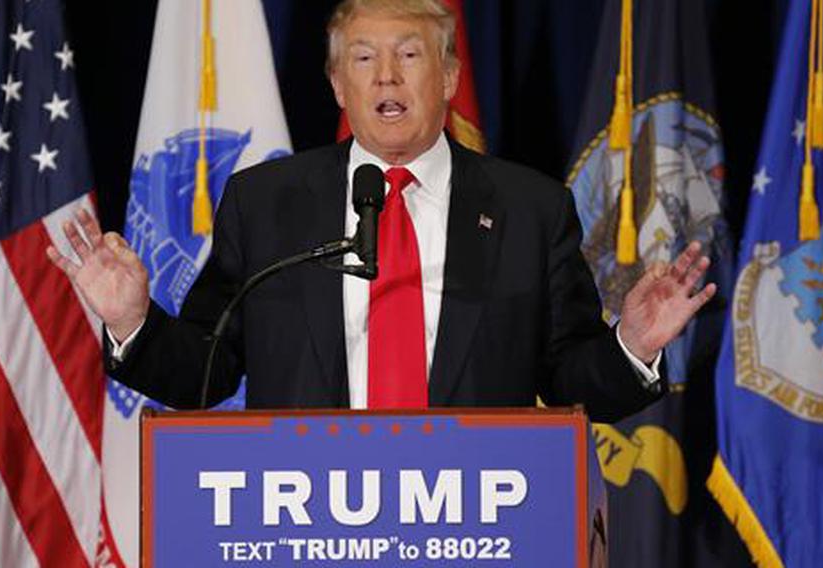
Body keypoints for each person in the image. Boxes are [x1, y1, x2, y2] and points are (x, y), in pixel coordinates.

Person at [47, 0, 715, 423]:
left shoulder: (529, 207)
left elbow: (570, 381)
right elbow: (206, 372)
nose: (387, 76)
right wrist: (133, 321)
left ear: (449, 78)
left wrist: (631, 346)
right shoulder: (268, 202)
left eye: (410, 55)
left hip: (474, 529)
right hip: (308, 530)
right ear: (339, 85)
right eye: (364, 58)